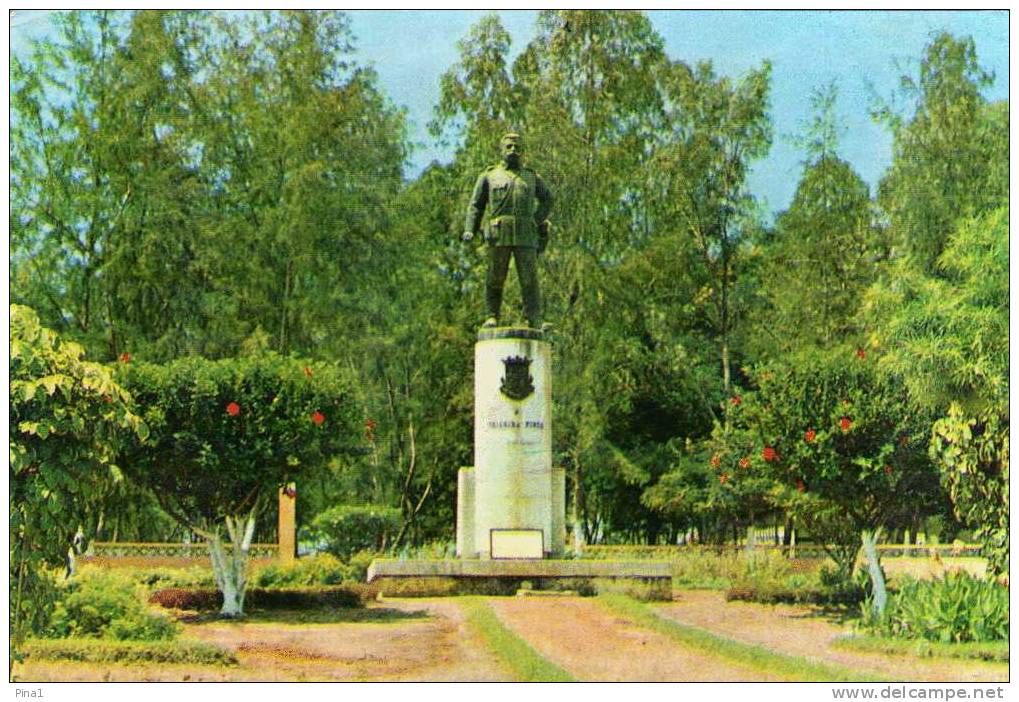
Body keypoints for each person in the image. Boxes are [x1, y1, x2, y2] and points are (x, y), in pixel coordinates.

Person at [463, 133, 553, 329]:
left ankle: (535, 318)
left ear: (523, 151)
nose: (513, 150)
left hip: (525, 234)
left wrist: (535, 220)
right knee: (495, 276)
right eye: (509, 146)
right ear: (501, 150)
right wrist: (470, 228)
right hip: (498, 233)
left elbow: (548, 199)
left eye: (517, 147)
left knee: (529, 278)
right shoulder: (489, 175)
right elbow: (476, 205)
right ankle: (491, 315)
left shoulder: (531, 176)